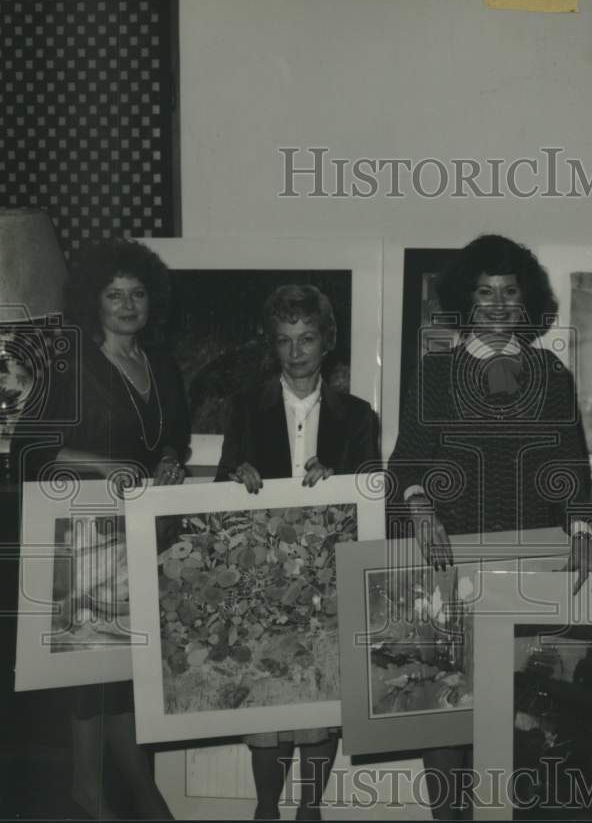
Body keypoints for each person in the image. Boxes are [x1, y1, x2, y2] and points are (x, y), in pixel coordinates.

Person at [387, 234, 592, 819]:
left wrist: (584, 533)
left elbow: (572, 472)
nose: (497, 304)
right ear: (466, 299)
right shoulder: (437, 373)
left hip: (528, 568)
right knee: (446, 710)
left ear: (525, 301)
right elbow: (404, 463)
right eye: (484, 292)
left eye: (509, 292)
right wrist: (418, 504)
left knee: (515, 718)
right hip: (450, 568)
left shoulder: (551, 375)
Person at [17, 238, 191, 819]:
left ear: (152, 302)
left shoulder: (162, 363)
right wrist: (99, 462)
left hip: (141, 536)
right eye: (114, 293)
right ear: (94, 301)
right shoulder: (71, 362)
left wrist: (170, 459)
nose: (126, 304)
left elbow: (177, 438)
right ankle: (99, 792)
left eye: (137, 293)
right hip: (83, 535)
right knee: (92, 676)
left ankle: (126, 792)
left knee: (123, 675)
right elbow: (28, 450)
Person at [215, 284, 378, 821]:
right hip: (261, 579)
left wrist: (344, 480)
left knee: (319, 704)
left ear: (326, 342)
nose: (296, 350)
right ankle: (267, 809)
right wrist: (235, 478)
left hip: (329, 581)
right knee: (266, 703)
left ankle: (311, 809)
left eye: (307, 338)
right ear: (273, 344)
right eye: (285, 339)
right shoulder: (244, 407)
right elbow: (218, 490)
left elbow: (372, 493)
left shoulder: (357, 416)